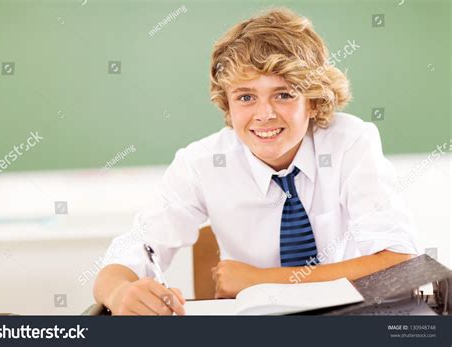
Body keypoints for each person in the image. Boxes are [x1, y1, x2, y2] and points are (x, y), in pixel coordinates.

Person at [93, 7, 417, 315]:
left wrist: (259, 280)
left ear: (314, 102)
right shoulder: (201, 164)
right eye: (246, 97)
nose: (264, 114)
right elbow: (126, 256)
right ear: (227, 104)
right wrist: (121, 293)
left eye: (284, 94)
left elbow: (402, 266)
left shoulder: (350, 143)